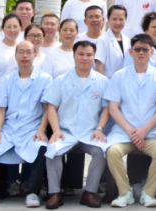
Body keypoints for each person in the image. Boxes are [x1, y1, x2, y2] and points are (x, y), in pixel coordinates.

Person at [0, 40, 52, 207]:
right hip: (9, 128)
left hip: (32, 129)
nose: (25, 56)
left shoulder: (45, 79)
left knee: (41, 148)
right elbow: (0, 109)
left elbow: (48, 109)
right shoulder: (7, 80)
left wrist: (42, 130)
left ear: (35, 55)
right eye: (21, 52)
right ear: (15, 55)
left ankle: (32, 193)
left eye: (29, 52)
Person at [104, 34, 156, 209]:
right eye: (137, 49)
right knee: (112, 151)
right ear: (130, 52)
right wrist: (130, 130)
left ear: (152, 53)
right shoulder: (119, 76)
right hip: (124, 132)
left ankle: (148, 193)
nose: (141, 53)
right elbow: (113, 108)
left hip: (150, 132)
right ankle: (124, 192)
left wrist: (144, 130)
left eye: (145, 50)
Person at [43, 40, 110, 209]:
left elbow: (106, 109)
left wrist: (99, 129)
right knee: (53, 150)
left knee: (101, 151)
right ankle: (54, 193)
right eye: (80, 54)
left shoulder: (102, 81)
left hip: (90, 132)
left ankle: (90, 192)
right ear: (73, 56)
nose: (84, 58)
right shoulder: (61, 80)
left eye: (89, 55)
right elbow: (51, 108)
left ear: (94, 57)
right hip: (65, 131)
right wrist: (56, 130)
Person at [96, 5, 132, 78]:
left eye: (121, 19)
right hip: (108, 81)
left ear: (125, 20)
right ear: (108, 19)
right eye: (114, 19)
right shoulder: (103, 40)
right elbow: (99, 67)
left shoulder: (127, 40)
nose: (118, 22)